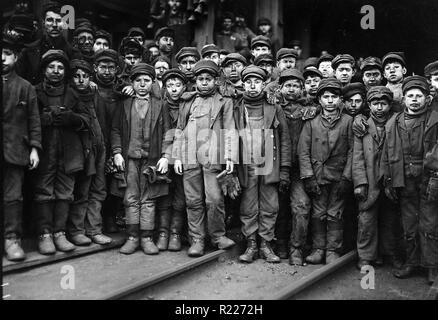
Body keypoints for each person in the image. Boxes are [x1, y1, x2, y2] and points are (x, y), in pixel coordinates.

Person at [173, 59, 237, 257]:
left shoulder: (224, 102)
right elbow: (179, 129)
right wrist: (176, 157)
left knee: (214, 199)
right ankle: (197, 239)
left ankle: (218, 236)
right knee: (193, 200)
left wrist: (230, 156)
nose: (204, 82)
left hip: (212, 157)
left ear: (216, 81)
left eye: (208, 79)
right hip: (190, 156)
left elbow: (230, 129)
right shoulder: (188, 101)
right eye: (200, 79)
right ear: (195, 81)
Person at [381, 75, 438, 284]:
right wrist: (388, 179)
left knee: (429, 224)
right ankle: (412, 262)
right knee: (409, 225)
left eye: (419, 96)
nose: (414, 99)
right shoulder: (393, 123)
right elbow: (387, 153)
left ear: (427, 99)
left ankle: (432, 266)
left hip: (428, 181)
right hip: (404, 181)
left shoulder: (434, 121)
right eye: (410, 96)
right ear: (403, 99)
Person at [33, 49, 90, 255]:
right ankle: (45, 234)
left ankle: (60, 233)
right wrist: (44, 118)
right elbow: (26, 120)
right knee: (43, 192)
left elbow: (87, 120)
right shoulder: (35, 91)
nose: (56, 71)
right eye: (51, 67)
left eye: (60, 67)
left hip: (69, 152)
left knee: (65, 193)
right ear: (44, 69)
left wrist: (72, 118)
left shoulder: (73, 93)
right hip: (45, 151)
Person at [111, 63, 172, 255]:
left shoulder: (160, 105)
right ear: (132, 82)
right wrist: (117, 152)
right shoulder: (124, 105)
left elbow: (168, 134)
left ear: (153, 82)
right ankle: (132, 237)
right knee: (131, 198)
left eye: (146, 80)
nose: (142, 84)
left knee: (149, 199)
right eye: (138, 81)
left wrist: (165, 156)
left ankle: (146, 237)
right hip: (130, 160)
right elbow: (115, 130)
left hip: (151, 161)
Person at [233, 65, 291, 263]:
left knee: (270, 205)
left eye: (256, 82)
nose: (252, 86)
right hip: (246, 164)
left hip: (269, 164)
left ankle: (266, 244)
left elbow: (284, 140)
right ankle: (251, 244)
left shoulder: (274, 108)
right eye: (248, 82)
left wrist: (284, 169)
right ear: (242, 84)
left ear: (263, 84)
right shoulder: (236, 106)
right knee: (248, 205)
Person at [298, 78, 354, 264]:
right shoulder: (311, 122)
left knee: (335, 213)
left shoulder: (348, 121)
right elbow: (303, 151)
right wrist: (308, 177)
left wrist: (347, 177)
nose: (330, 101)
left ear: (340, 100)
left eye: (334, 97)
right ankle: (318, 248)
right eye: (326, 97)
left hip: (338, 176)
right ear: (319, 100)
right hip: (318, 176)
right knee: (318, 212)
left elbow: (354, 151)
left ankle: (333, 249)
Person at [353, 86, 403, 270]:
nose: (379, 108)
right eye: (375, 103)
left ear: (390, 105)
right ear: (369, 105)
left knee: (390, 219)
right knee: (366, 219)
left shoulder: (398, 123)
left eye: (383, 103)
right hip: (370, 180)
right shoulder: (362, 126)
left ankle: (389, 253)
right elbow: (357, 158)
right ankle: (366, 256)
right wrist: (360, 183)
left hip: (390, 179)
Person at [3, 34, 42, 261]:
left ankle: (12, 240)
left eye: (7, 54)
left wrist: (35, 148)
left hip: (16, 151)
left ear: (16, 57)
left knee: (13, 198)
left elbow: (34, 121)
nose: (2, 58)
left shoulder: (26, 87)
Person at [67, 59, 113, 246]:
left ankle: (94, 229)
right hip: (82, 152)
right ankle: (76, 230)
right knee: (82, 191)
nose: (81, 80)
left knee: (99, 190)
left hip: (100, 149)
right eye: (76, 76)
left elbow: (105, 124)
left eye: (85, 76)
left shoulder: (96, 96)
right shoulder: (69, 97)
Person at [276, 69, 317, 265]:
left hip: (300, 169)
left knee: (301, 207)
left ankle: (296, 248)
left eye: (295, 86)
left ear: (302, 89)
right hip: (276, 167)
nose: (291, 89)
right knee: (278, 207)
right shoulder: (274, 108)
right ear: (280, 88)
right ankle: (281, 243)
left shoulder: (310, 110)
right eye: (287, 86)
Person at [155, 68, 188, 251]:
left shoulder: (189, 105)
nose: (174, 89)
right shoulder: (161, 105)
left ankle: (175, 232)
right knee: (164, 194)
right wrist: (165, 156)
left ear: (184, 86)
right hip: (162, 155)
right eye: (169, 85)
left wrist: (178, 157)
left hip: (184, 157)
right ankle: (162, 232)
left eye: (178, 85)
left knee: (180, 196)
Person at [92, 49, 123, 233]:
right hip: (97, 142)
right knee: (97, 182)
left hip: (117, 143)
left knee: (115, 183)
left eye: (111, 68)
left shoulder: (120, 91)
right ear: (95, 68)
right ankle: (95, 222)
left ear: (117, 69)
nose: (107, 71)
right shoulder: (90, 90)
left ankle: (110, 217)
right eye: (103, 67)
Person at [16, 1, 76, 84]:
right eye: (50, 20)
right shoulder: (28, 52)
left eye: (58, 20)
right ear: (43, 23)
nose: (54, 25)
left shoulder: (74, 54)